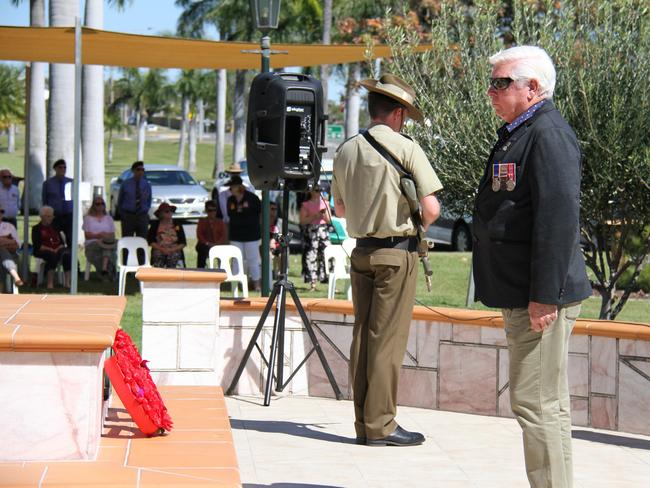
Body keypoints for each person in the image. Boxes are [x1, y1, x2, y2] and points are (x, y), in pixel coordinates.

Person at [473, 46, 592, 488]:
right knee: (547, 404)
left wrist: (545, 294)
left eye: (501, 83)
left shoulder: (547, 134)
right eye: (492, 83)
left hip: (537, 296)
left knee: (534, 403)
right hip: (523, 290)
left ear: (534, 88)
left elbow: (558, 220)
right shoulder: (520, 132)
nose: (491, 92)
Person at [332, 74, 442, 446]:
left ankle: (364, 423)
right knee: (387, 341)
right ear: (397, 113)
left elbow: (340, 209)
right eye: (405, 115)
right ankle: (382, 424)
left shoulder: (346, 149)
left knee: (363, 336)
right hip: (396, 253)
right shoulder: (406, 148)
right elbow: (432, 209)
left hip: (360, 251)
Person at [226, 175, 262, 291]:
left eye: (232, 187)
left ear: (239, 187)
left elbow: (259, 214)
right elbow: (230, 215)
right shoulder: (230, 200)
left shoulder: (252, 198)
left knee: (253, 260)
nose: (230, 189)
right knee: (236, 260)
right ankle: (235, 286)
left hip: (251, 235)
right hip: (236, 235)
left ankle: (257, 285)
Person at [32, 205, 72, 289]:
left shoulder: (55, 227)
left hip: (57, 249)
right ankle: (50, 283)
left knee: (67, 254)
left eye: (52, 216)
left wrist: (57, 248)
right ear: (42, 217)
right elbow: (38, 245)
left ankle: (67, 282)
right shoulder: (36, 229)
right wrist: (50, 249)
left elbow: (61, 242)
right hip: (43, 250)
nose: (51, 218)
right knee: (52, 256)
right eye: (49, 216)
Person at [299, 186, 331, 291]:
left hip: (323, 232)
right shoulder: (306, 204)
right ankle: (312, 283)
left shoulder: (325, 203)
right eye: (317, 190)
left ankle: (329, 282)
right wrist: (315, 216)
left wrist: (324, 213)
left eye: (321, 190)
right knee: (311, 257)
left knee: (326, 256)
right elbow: (302, 221)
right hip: (311, 232)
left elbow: (329, 220)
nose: (319, 192)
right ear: (311, 191)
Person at [82, 196, 117, 281]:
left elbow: (112, 234)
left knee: (107, 246)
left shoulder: (109, 218)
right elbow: (87, 235)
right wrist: (98, 235)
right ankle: (106, 271)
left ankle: (104, 271)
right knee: (107, 249)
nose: (100, 206)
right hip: (93, 243)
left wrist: (105, 236)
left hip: (107, 242)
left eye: (102, 203)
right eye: (97, 204)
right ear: (93, 206)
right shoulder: (88, 218)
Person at [41, 159, 73, 246]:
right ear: (55, 169)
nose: (63, 169)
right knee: (55, 238)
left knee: (70, 238)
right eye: (60, 167)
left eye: (64, 167)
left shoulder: (71, 182)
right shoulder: (48, 183)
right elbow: (45, 200)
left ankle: (70, 257)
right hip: (54, 215)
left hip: (69, 215)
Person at [117, 161, 152, 239]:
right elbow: (120, 200)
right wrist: (122, 213)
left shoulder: (147, 184)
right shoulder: (126, 184)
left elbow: (149, 199)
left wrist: (146, 209)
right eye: (138, 169)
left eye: (142, 170)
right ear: (133, 170)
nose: (140, 172)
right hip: (128, 216)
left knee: (142, 240)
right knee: (127, 240)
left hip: (142, 216)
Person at [147, 202, 186, 269]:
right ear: (161, 214)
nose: (170, 213)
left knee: (174, 256)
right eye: (167, 211)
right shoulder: (155, 225)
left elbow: (183, 243)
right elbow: (150, 241)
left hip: (174, 249)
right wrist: (162, 249)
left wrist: (172, 250)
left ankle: (172, 277)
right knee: (158, 255)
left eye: (171, 211)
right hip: (159, 248)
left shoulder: (177, 224)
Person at [196, 200, 228, 268]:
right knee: (201, 249)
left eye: (214, 210)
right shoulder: (202, 221)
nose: (213, 212)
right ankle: (200, 270)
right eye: (210, 210)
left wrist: (217, 244)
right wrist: (207, 243)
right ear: (206, 211)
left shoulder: (220, 222)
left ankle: (223, 270)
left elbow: (224, 236)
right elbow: (199, 235)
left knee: (223, 251)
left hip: (218, 244)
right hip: (205, 245)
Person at [0, 208, 23, 289]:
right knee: (2, 252)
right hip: (6, 255)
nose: (0, 213)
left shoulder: (9, 226)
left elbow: (17, 244)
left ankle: (1, 288)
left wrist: (3, 241)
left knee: (2, 251)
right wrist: (8, 240)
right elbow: (12, 241)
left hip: (11, 253)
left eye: (1, 211)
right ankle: (16, 276)